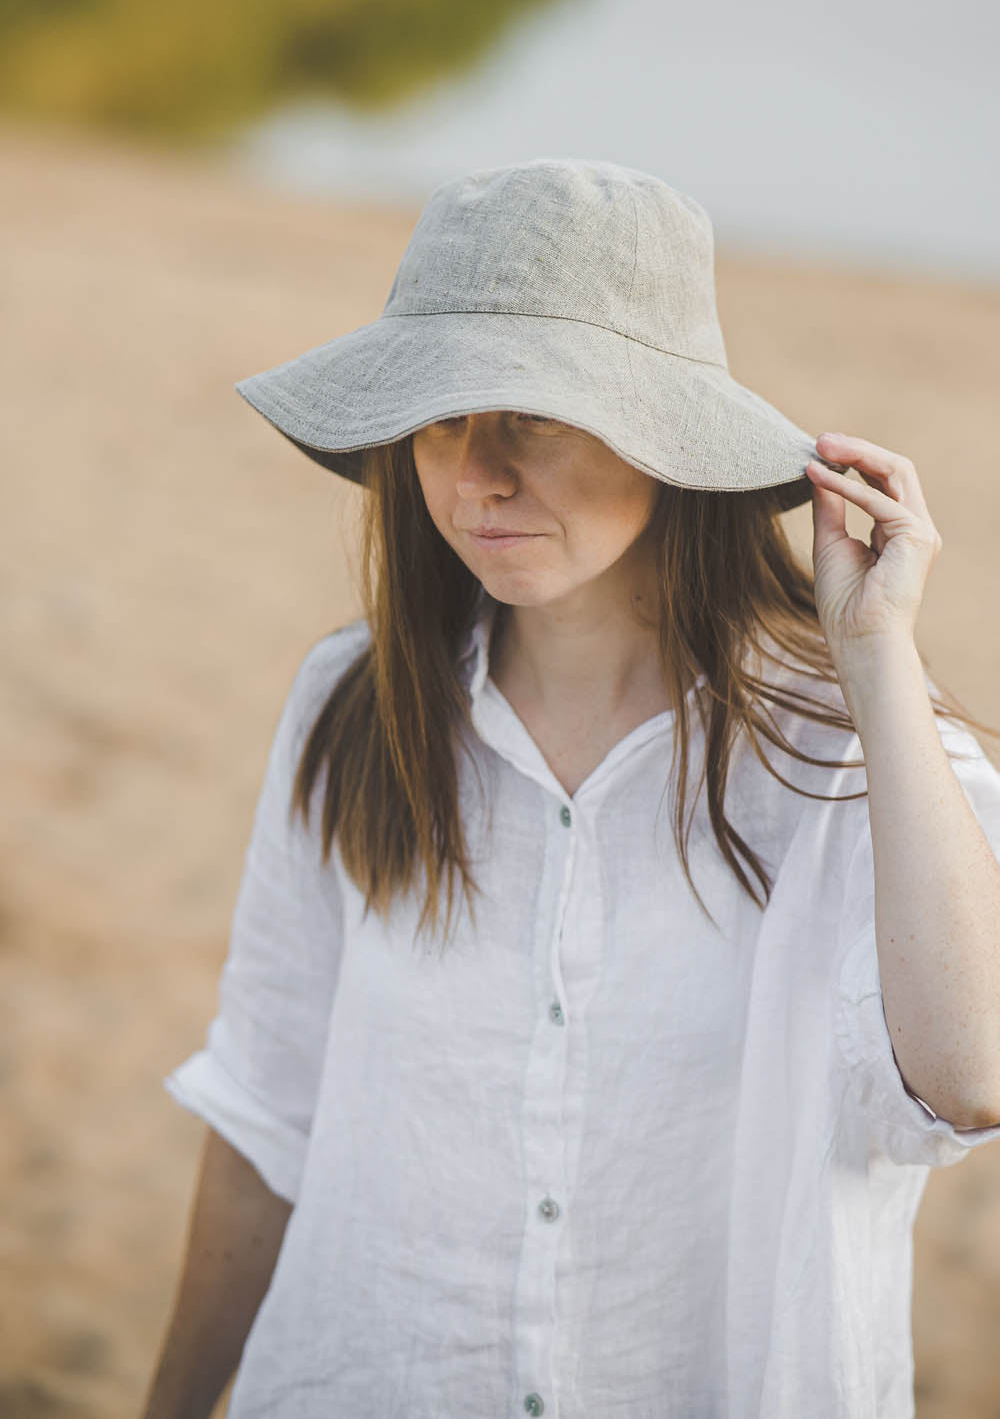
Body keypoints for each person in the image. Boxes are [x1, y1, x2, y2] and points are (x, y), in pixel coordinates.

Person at [141, 159, 1000, 1419]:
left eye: (532, 416)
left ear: (667, 440)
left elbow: (971, 1072)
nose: (474, 474)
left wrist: (876, 657)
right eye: (439, 415)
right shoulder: (355, 707)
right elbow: (269, 1117)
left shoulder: (852, 752)